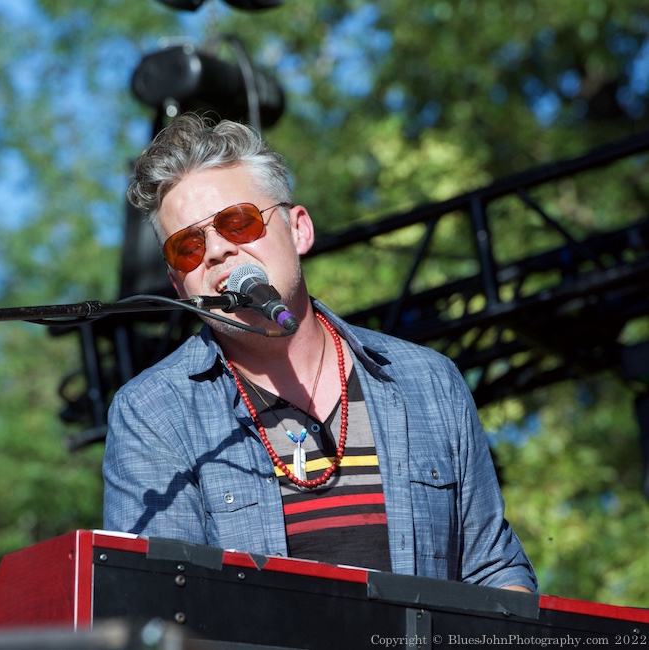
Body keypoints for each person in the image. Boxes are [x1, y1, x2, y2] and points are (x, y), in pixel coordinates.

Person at [102, 112, 537, 592]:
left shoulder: (428, 381)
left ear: (299, 230)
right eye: (187, 246)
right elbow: (159, 607)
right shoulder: (152, 412)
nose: (216, 252)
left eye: (238, 222)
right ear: (177, 285)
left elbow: (494, 571)